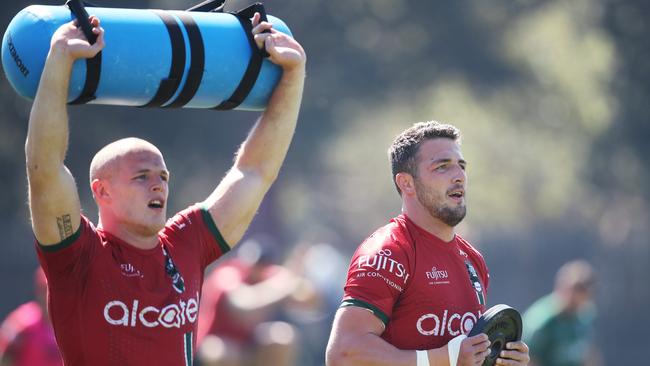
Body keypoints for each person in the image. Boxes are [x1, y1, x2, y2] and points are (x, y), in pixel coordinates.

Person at [25, 10, 305, 366]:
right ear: (101, 191)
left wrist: (294, 75)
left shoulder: (187, 242)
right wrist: (60, 58)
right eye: (141, 176)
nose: (157, 184)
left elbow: (254, 171)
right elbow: (44, 169)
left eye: (163, 176)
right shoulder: (77, 257)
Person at [325, 121, 530, 366]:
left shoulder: (472, 259)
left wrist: (501, 359)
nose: (459, 176)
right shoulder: (388, 252)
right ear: (406, 183)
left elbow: (462, 357)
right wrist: (440, 359)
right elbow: (343, 353)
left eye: (461, 166)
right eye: (442, 167)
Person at [195, 239, 303, 366]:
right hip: (211, 342)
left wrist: (296, 280)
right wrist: (282, 288)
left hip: (246, 341)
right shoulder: (228, 273)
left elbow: (310, 299)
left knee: (282, 337)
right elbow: (242, 305)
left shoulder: (267, 276)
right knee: (224, 353)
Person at [523, 259, 601, 366]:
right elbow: (527, 360)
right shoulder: (540, 322)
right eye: (575, 290)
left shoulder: (584, 315)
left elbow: (588, 353)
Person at [0, 267, 62, 366]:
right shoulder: (22, 322)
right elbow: (5, 356)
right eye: (44, 290)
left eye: (51, 291)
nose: (47, 296)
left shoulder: (69, 325)